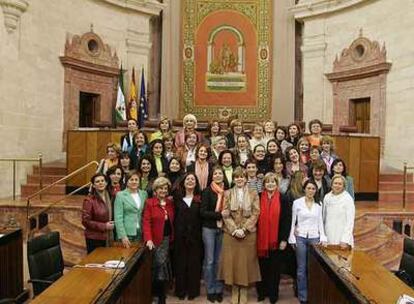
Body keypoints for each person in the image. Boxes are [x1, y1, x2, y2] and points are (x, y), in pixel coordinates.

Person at [219, 167, 260, 304]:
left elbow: (256, 212)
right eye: (237, 177)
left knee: (246, 262)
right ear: (234, 179)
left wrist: (244, 229)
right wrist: (235, 229)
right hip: (231, 234)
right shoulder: (227, 193)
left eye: (242, 176)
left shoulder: (253, 193)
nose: (239, 179)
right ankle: (234, 290)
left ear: (246, 178)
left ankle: (244, 289)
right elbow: (225, 213)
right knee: (232, 262)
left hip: (248, 234)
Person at [288, 180, 327, 304]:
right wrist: (292, 238)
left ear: (316, 191)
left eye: (313, 189)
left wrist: (323, 237)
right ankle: (303, 297)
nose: (311, 191)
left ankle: (313, 294)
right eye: (309, 188)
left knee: (314, 268)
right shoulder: (297, 203)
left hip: (314, 238)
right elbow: (293, 221)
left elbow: (320, 222)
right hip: (301, 237)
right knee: (301, 269)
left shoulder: (318, 205)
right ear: (304, 189)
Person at [256, 173, 290, 304]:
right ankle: (261, 293)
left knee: (274, 270)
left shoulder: (283, 198)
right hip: (260, 240)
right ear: (264, 184)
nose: (270, 184)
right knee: (261, 267)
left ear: (277, 184)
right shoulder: (258, 197)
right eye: (268, 182)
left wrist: (284, 239)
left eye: (273, 182)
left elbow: (287, 220)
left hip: (277, 241)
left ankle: (273, 294)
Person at [143, 177, 175, 304]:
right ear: (155, 190)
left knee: (163, 265)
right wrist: (148, 239)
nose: (163, 190)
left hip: (168, 240)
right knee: (159, 266)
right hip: (155, 240)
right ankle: (160, 297)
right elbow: (146, 222)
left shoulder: (170, 202)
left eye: (165, 188)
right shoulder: (150, 203)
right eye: (160, 188)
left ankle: (160, 294)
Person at [173, 173, 203, 300]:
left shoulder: (200, 198)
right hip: (180, 237)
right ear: (183, 182)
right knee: (180, 264)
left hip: (196, 237)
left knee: (194, 264)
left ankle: (193, 291)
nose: (190, 181)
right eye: (188, 179)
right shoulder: (176, 198)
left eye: (193, 179)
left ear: (196, 183)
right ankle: (180, 291)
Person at [200, 166, 225, 303]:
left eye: (220, 173)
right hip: (209, 229)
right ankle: (210, 289)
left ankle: (219, 289)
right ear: (212, 176)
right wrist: (219, 215)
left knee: (219, 261)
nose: (218, 175)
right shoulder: (207, 191)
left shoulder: (226, 192)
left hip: (222, 230)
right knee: (209, 261)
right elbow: (202, 212)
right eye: (215, 173)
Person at [82, 173, 114, 253]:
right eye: (97, 181)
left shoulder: (110, 197)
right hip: (94, 238)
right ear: (93, 185)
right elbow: (85, 221)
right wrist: (104, 226)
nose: (100, 183)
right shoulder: (89, 200)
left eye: (102, 181)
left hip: (108, 236)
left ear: (106, 183)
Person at [323, 175, 355, 248]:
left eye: (340, 184)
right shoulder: (327, 197)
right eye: (335, 183)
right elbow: (324, 218)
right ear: (331, 185)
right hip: (329, 234)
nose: (337, 186)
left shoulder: (348, 199)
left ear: (344, 186)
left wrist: (345, 239)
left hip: (342, 236)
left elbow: (350, 221)